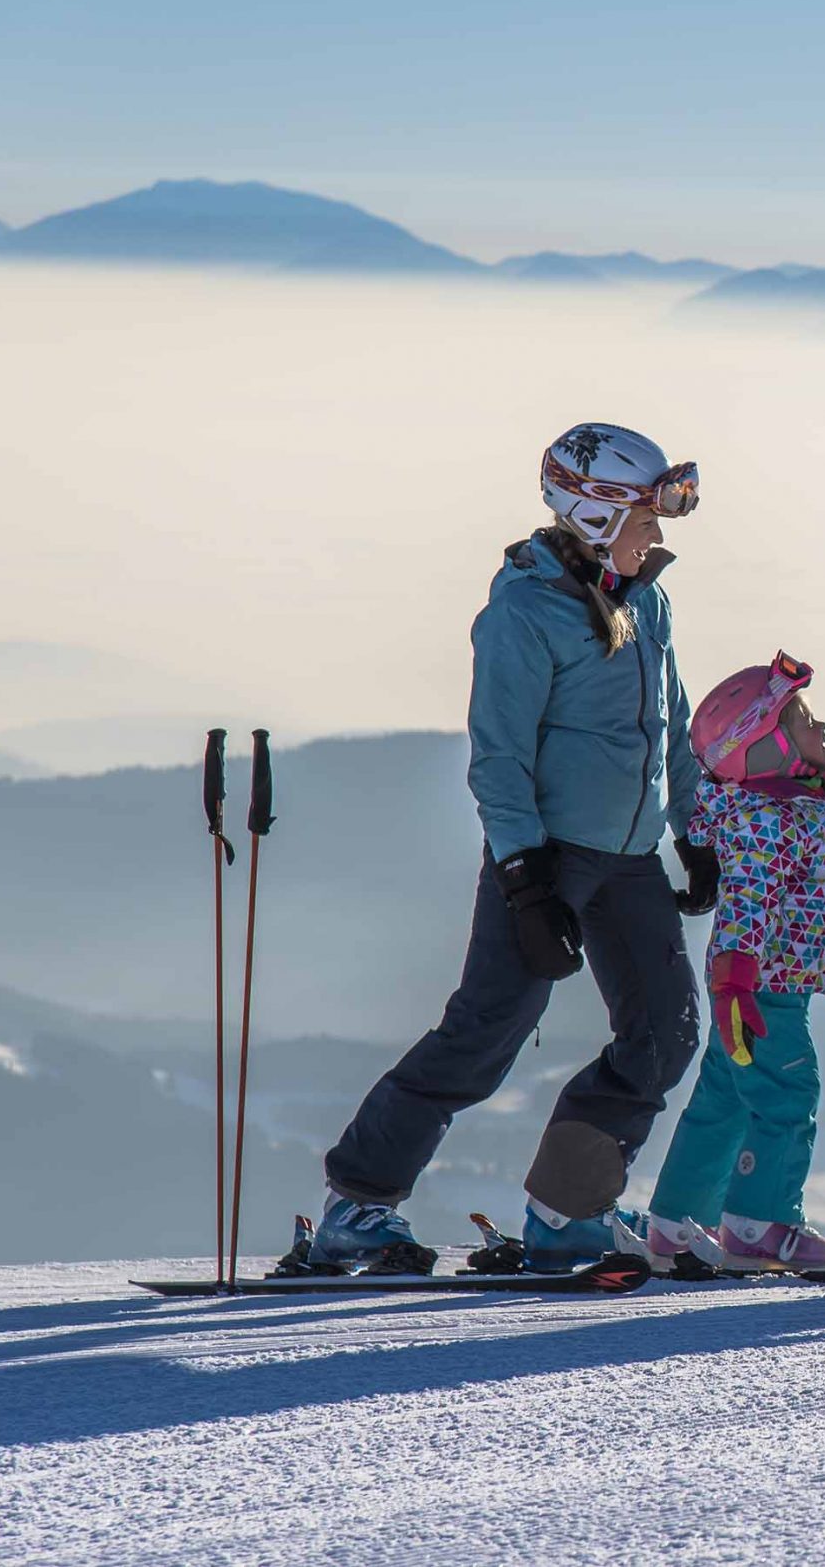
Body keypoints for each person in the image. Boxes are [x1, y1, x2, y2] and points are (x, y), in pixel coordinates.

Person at [313, 424, 714, 1274]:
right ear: (596, 513)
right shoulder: (523, 613)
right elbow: (498, 757)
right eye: (649, 514)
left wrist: (698, 834)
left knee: (666, 1034)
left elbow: (672, 726)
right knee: (487, 1032)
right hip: (550, 857)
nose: (660, 531)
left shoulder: (650, 600)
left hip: (631, 857)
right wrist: (526, 881)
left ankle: (567, 1211)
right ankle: (357, 1202)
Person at [641, 638, 825, 1279]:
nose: (819, 725)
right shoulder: (767, 820)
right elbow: (744, 902)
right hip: (760, 988)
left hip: (755, 984)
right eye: (802, 720)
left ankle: (675, 1224)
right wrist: (737, 986)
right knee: (790, 1091)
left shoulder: (809, 793)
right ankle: (758, 1226)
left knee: (726, 1096)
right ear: (768, 748)